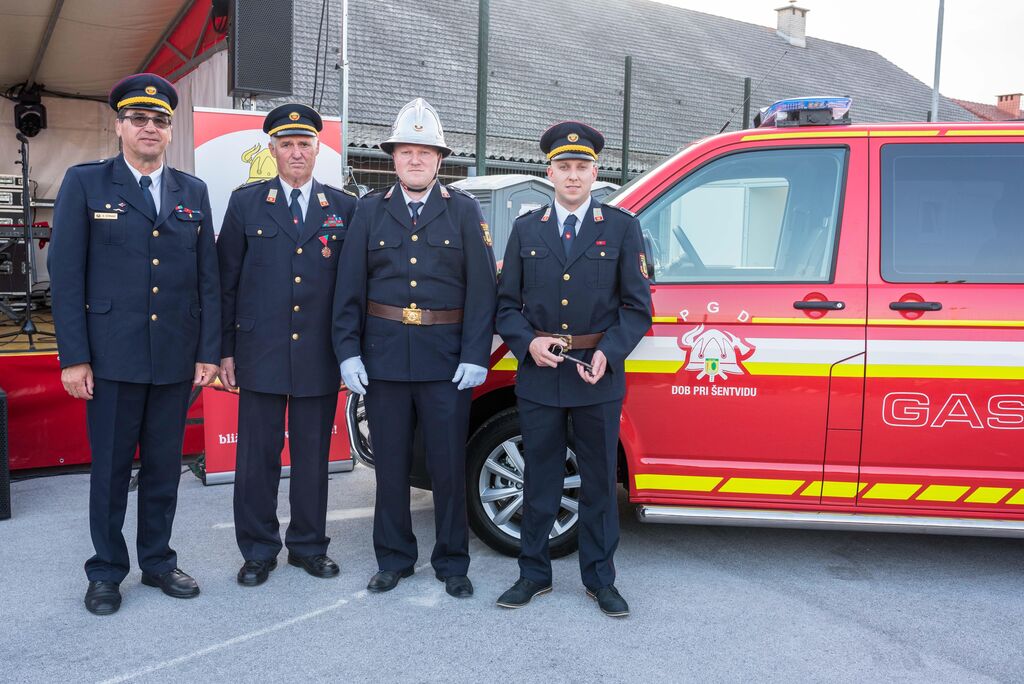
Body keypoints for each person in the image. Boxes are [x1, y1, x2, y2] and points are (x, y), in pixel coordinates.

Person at [49, 73, 221, 616]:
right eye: (138, 119)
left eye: (159, 120)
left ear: (170, 130)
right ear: (119, 126)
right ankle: (105, 570)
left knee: (165, 467)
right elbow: (66, 275)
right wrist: (74, 357)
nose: (149, 127)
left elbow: (208, 279)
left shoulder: (192, 191)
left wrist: (208, 351)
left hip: (174, 355)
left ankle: (158, 562)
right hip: (111, 356)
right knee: (110, 471)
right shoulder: (86, 183)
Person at [333, 98, 496, 598]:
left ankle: (452, 561)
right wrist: (348, 352)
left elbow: (483, 290)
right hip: (383, 359)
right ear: (394, 158)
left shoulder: (464, 211)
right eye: (406, 151)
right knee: (390, 468)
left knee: (447, 466)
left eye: (425, 152)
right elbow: (348, 288)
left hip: (446, 362)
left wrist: (476, 355)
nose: (415, 160)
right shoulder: (369, 211)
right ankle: (394, 558)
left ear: (440, 159)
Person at [494, 121, 652, 617]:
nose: (573, 175)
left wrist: (611, 351)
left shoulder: (621, 227)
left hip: (596, 375)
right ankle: (533, 574)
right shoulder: (527, 229)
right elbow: (505, 306)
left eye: (581, 166)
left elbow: (637, 308)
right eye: (564, 166)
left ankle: (600, 579)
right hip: (540, 376)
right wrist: (528, 341)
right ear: (549, 172)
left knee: (599, 483)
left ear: (595, 173)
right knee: (539, 479)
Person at [217, 104, 357, 587]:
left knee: (313, 456)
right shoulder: (246, 203)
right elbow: (225, 282)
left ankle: (308, 546)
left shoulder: (343, 207)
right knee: (257, 458)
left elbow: (352, 289)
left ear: (318, 150)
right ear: (272, 150)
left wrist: (349, 351)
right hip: (259, 352)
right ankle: (258, 551)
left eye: (304, 144)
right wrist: (225, 350)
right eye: (287, 144)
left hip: (319, 352)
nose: (296, 152)